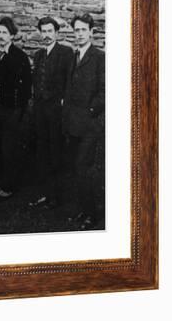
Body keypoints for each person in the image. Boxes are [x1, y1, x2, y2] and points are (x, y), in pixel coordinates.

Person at [63, 13, 105, 230]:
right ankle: (82, 209)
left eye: (82, 30)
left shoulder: (99, 57)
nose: (78, 34)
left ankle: (92, 214)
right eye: (76, 30)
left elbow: (103, 91)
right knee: (76, 168)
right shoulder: (73, 56)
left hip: (89, 124)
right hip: (72, 123)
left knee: (85, 168)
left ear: (91, 32)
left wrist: (90, 111)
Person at [0, 16, 32, 201]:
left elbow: (26, 86)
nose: (1, 36)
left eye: (5, 33)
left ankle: (7, 186)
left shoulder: (19, 56)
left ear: (12, 36)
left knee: (8, 149)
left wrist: (19, 110)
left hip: (11, 111)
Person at [29, 17, 74, 210]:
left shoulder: (65, 52)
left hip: (56, 110)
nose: (46, 35)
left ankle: (57, 197)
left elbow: (70, 81)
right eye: (43, 31)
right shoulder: (38, 55)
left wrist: (63, 101)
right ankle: (45, 194)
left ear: (56, 33)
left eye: (50, 31)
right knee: (42, 151)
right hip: (40, 110)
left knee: (56, 152)